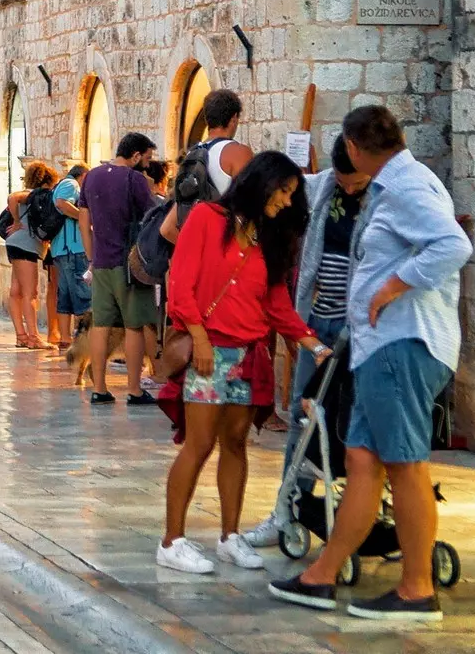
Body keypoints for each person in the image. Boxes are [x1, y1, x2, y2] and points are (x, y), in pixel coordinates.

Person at [271, 105, 471, 622]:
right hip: (379, 349)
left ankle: (417, 590)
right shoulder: (394, 183)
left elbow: (453, 244)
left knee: (404, 467)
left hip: (404, 344)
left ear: (355, 148)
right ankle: (322, 575)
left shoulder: (405, 188)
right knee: (361, 461)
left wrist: (393, 285)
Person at [157, 151, 322, 574]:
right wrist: (199, 338)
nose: (287, 201)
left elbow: (276, 302)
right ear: (261, 182)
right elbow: (181, 283)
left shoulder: (268, 236)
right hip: (209, 353)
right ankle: (171, 541)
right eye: (283, 191)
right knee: (198, 445)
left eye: (292, 194)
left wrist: (310, 343)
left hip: (250, 354)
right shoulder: (207, 218)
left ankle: (230, 537)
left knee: (235, 445)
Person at [243, 137, 371, 547]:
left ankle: (353, 516)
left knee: (351, 421)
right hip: (320, 320)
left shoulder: (386, 199)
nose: (349, 190)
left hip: (362, 331)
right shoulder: (318, 189)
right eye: (343, 182)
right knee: (304, 414)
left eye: (356, 183)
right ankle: (287, 507)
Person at [81, 132, 160, 404]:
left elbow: (84, 219)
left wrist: (92, 257)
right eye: (147, 158)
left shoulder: (91, 176)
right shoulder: (134, 180)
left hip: (101, 262)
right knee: (134, 326)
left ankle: (99, 388)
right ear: (136, 155)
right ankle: (135, 389)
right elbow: (152, 218)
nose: (148, 165)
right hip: (128, 265)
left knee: (100, 325)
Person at [3, 161, 54, 351]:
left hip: (15, 243)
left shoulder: (31, 197)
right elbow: (13, 197)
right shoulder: (31, 195)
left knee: (16, 292)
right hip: (25, 245)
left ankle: (21, 336)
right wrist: (16, 222)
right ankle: (33, 337)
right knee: (30, 293)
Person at [49, 165, 90, 348]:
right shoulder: (71, 184)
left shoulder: (60, 185)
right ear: (83, 175)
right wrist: (83, 218)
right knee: (83, 293)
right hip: (73, 249)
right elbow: (61, 203)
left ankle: (65, 338)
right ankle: (84, 340)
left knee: (64, 295)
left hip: (60, 250)